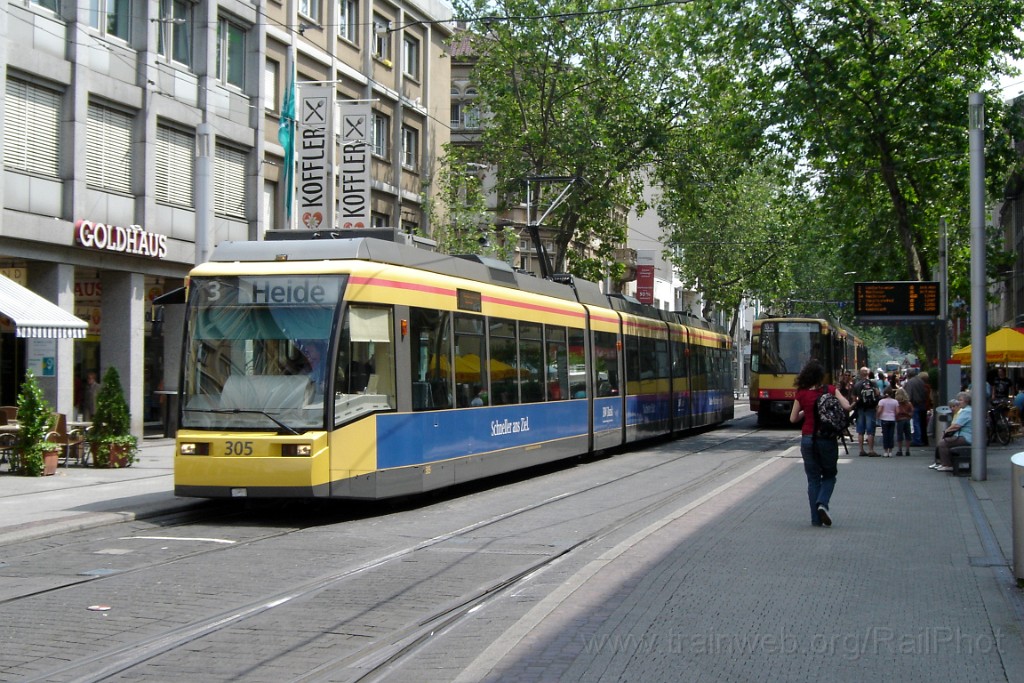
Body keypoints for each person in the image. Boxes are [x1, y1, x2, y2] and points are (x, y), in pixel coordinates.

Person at [789, 358, 852, 527]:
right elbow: (846, 406)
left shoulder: (801, 393)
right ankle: (823, 503)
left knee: (813, 479)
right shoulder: (830, 390)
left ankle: (815, 520)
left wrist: (806, 410)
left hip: (808, 439)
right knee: (830, 475)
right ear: (820, 376)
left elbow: (793, 418)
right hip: (826, 439)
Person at [932, 392, 972, 472]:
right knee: (945, 441)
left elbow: (956, 425)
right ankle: (943, 463)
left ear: (966, 401)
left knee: (943, 443)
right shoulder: (968, 410)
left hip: (967, 437)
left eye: (960, 400)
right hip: (966, 436)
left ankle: (947, 464)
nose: (958, 402)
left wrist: (945, 432)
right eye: (958, 400)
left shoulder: (966, 411)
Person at [852, 367, 880, 457]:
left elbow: (854, 397)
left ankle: (861, 450)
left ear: (860, 374)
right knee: (870, 430)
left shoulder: (857, 384)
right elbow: (877, 393)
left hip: (860, 408)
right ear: (868, 373)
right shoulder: (873, 383)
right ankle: (871, 450)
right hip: (870, 408)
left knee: (860, 431)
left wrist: (855, 404)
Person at [904, 370, 929, 448]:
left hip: (915, 405)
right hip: (923, 404)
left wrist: (907, 405)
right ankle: (923, 439)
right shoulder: (921, 381)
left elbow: (908, 395)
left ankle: (917, 440)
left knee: (916, 423)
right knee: (922, 423)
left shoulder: (910, 382)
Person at [875, 387, 899, 457]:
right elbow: (897, 412)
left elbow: (879, 410)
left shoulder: (882, 401)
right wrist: (895, 416)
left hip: (884, 419)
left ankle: (885, 451)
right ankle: (890, 451)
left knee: (885, 435)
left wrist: (877, 416)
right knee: (891, 435)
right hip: (892, 419)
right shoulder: (895, 401)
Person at [894, 387, 913, 457]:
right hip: (907, 419)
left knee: (900, 435)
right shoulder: (908, 403)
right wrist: (908, 416)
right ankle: (907, 450)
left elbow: (896, 412)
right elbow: (911, 412)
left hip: (899, 420)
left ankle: (900, 450)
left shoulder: (897, 403)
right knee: (908, 435)